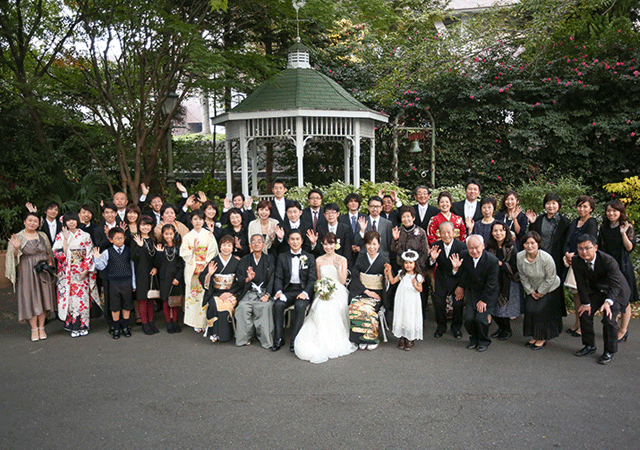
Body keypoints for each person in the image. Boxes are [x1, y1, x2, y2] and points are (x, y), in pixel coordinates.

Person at [294, 233, 357, 363]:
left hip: (338, 291)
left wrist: (338, 267)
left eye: (331, 244)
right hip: (323, 290)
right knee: (320, 307)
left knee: (331, 307)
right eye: (326, 244)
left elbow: (343, 280)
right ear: (322, 245)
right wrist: (321, 291)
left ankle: (332, 340)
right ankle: (319, 339)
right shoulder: (319, 260)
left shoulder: (342, 259)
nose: (329, 247)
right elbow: (318, 280)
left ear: (336, 244)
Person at [572, 234, 631, 364]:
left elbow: (616, 284)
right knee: (584, 313)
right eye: (580, 248)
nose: (584, 252)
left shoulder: (608, 260)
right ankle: (589, 345)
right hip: (598, 290)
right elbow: (580, 283)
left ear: (596, 247)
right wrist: (586, 303)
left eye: (587, 248)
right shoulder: (576, 261)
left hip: (616, 291)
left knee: (608, 319)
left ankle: (609, 351)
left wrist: (608, 302)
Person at [6, 212, 56, 342]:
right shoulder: (18, 236)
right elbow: (13, 257)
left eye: (35, 221)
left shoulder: (42, 235)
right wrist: (16, 248)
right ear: (24, 222)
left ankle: (41, 327)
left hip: (43, 269)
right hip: (28, 270)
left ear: (39, 223)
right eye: (30, 220)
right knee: (31, 298)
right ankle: (34, 328)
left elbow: (49, 252)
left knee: (44, 297)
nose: (32, 223)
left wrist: (50, 265)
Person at [52, 212, 98, 338]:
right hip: (67, 273)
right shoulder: (60, 236)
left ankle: (84, 325)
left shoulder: (85, 235)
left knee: (82, 299)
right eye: (68, 220)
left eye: (73, 220)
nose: (71, 222)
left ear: (77, 221)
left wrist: (86, 270)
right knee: (70, 300)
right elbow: (59, 254)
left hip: (81, 272)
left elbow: (89, 253)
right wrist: (66, 240)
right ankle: (73, 326)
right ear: (65, 223)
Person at [450, 235, 499, 352]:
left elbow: (492, 284)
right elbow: (462, 275)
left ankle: (484, 340)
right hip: (472, 291)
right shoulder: (464, 255)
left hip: (487, 293)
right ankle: (474, 338)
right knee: (468, 319)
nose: (474, 251)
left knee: (481, 319)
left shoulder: (492, 260)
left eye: (477, 247)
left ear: (483, 246)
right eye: (470, 248)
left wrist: (484, 300)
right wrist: (456, 269)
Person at [598, 199, 638, 342]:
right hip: (608, 266)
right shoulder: (603, 227)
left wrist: (623, 233)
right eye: (609, 210)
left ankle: (623, 330)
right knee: (610, 297)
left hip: (623, 266)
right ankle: (612, 326)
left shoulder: (627, 226)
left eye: (614, 210)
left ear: (620, 212)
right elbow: (600, 248)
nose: (611, 213)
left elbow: (629, 248)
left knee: (625, 299)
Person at [272, 230, 317, 352]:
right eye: (292, 239)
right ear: (288, 241)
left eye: (298, 239)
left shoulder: (310, 257)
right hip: (288, 290)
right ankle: (278, 338)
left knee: (300, 306)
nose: (295, 242)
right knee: (278, 305)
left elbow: (312, 279)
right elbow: (278, 277)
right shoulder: (283, 257)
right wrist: (279, 291)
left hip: (302, 290)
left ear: (302, 241)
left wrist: (306, 293)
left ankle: (295, 340)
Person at [517, 231, 563, 350]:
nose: (529, 246)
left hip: (550, 287)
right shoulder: (520, 256)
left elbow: (551, 277)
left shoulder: (546, 258)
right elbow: (522, 276)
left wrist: (541, 292)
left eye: (533, 243)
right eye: (526, 243)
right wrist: (530, 291)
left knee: (540, 310)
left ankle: (542, 338)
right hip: (532, 287)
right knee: (529, 308)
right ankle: (534, 336)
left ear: (538, 244)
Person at [562, 195, 598, 337]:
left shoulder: (592, 222)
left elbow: (589, 244)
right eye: (579, 206)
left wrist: (576, 255)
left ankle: (584, 326)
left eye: (585, 206)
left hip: (584, 262)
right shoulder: (574, 222)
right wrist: (567, 253)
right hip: (572, 261)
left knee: (584, 295)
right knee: (576, 295)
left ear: (591, 208)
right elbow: (567, 240)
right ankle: (577, 322)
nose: (581, 209)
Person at [349, 231, 390, 350]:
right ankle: (358, 339)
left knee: (367, 308)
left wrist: (387, 276)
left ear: (379, 245)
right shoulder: (361, 258)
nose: (371, 247)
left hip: (377, 294)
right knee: (355, 305)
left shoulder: (383, 260)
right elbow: (355, 277)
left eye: (374, 244)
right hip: (362, 291)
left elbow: (387, 282)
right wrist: (366, 291)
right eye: (369, 244)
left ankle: (371, 338)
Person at [180, 209, 219, 332]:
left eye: (200, 219)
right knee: (194, 297)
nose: (198, 222)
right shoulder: (187, 236)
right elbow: (183, 253)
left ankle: (206, 322)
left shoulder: (209, 235)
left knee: (205, 294)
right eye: (195, 219)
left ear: (204, 221)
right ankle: (195, 322)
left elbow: (214, 250)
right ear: (191, 221)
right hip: (193, 268)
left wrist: (206, 262)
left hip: (206, 267)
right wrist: (193, 251)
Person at [94, 227, 136, 339]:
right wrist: (97, 258)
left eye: (122, 238)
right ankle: (116, 328)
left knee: (127, 305)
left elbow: (132, 268)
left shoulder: (128, 250)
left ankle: (126, 327)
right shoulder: (107, 252)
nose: (120, 240)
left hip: (126, 281)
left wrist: (134, 284)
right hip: (113, 282)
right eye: (117, 238)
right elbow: (101, 266)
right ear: (111, 240)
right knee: (115, 306)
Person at [234, 234, 275, 349]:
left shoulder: (269, 259)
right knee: (242, 307)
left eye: (259, 241)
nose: (256, 243)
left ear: (263, 245)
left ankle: (265, 340)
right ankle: (244, 338)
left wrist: (267, 295)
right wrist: (248, 278)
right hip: (249, 292)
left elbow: (272, 279)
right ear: (250, 245)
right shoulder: (244, 260)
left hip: (263, 292)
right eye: (254, 241)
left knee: (265, 307)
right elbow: (239, 278)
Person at [199, 234, 241, 343]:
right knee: (213, 304)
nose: (226, 248)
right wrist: (209, 274)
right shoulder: (214, 261)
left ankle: (226, 335)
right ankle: (214, 332)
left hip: (231, 293)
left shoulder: (237, 263)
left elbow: (240, 281)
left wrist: (230, 293)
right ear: (220, 246)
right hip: (216, 292)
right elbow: (203, 278)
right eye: (224, 245)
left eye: (229, 245)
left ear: (233, 248)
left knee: (226, 307)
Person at [428, 222, 466, 339]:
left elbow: (465, 270)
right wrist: (432, 259)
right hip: (441, 278)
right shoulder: (436, 245)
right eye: (443, 232)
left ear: (454, 233)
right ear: (439, 234)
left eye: (449, 232)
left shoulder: (462, 247)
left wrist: (456, 271)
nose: (446, 235)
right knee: (438, 303)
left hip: (457, 279)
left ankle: (456, 328)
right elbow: (428, 265)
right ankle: (441, 326)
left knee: (458, 303)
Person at [486, 221, 521, 340]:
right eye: (495, 230)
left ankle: (507, 330)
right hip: (493, 280)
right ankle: (501, 328)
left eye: (501, 230)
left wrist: (501, 264)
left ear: (506, 232)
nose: (498, 233)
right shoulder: (490, 247)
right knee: (493, 307)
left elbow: (516, 267)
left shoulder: (512, 247)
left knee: (503, 309)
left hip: (508, 281)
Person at [526, 193, 570, 280]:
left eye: (554, 203)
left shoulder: (564, 222)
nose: (551, 206)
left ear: (559, 205)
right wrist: (532, 223)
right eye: (548, 203)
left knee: (555, 284)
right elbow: (532, 236)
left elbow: (567, 241)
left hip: (556, 258)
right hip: (540, 257)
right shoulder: (539, 219)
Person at [386, 250, 424, 350]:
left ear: (415, 263)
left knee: (410, 315)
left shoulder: (417, 276)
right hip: (402, 298)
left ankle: (410, 338)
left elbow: (420, 289)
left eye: (410, 263)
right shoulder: (401, 274)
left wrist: (415, 285)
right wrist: (389, 271)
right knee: (402, 314)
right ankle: (402, 337)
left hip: (412, 299)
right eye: (406, 263)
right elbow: (393, 281)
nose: (408, 265)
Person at [131, 216, 159, 335]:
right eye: (143, 225)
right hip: (140, 273)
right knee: (142, 299)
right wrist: (139, 246)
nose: (145, 227)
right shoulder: (135, 239)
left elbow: (157, 256)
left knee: (151, 299)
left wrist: (156, 267)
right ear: (139, 226)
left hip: (152, 273)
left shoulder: (154, 239)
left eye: (148, 225)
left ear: (151, 226)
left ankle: (151, 321)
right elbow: (133, 257)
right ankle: (144, 323)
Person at [154, 224, 184, 333]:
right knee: (166, 301)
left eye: (170, 234)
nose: (168, 236)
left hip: (175, 278)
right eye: (166, 234)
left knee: (175, 301)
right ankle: (169, 322)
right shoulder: (160, 247)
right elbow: (157, 264)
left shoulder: (179, 247)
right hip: (164, 278)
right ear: (162, 234)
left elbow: (182, 265)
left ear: (174, 234)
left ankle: (175, 321)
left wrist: (178, 278)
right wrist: (159, 253)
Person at [312, 203, 353, 268]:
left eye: (333, 213)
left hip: (341, 263)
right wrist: (314, 243)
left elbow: (347, 249)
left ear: (338, 214)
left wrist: (344, 265)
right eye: (328, 213)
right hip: (325, 263)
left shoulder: (345, 228)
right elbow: (319, 248)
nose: (330, 215)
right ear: (324, 215)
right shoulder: (320, 228)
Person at [338, 193, 367, 261]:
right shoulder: (341, 219)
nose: (353, 203)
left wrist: (360, 247)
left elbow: (367, 235)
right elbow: (341, 235)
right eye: (351, 201)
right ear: (347, 204)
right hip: (346, 253)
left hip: (362, 253)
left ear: (358, 204)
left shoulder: (365, 217)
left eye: (355, 201)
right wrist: (350, 247)